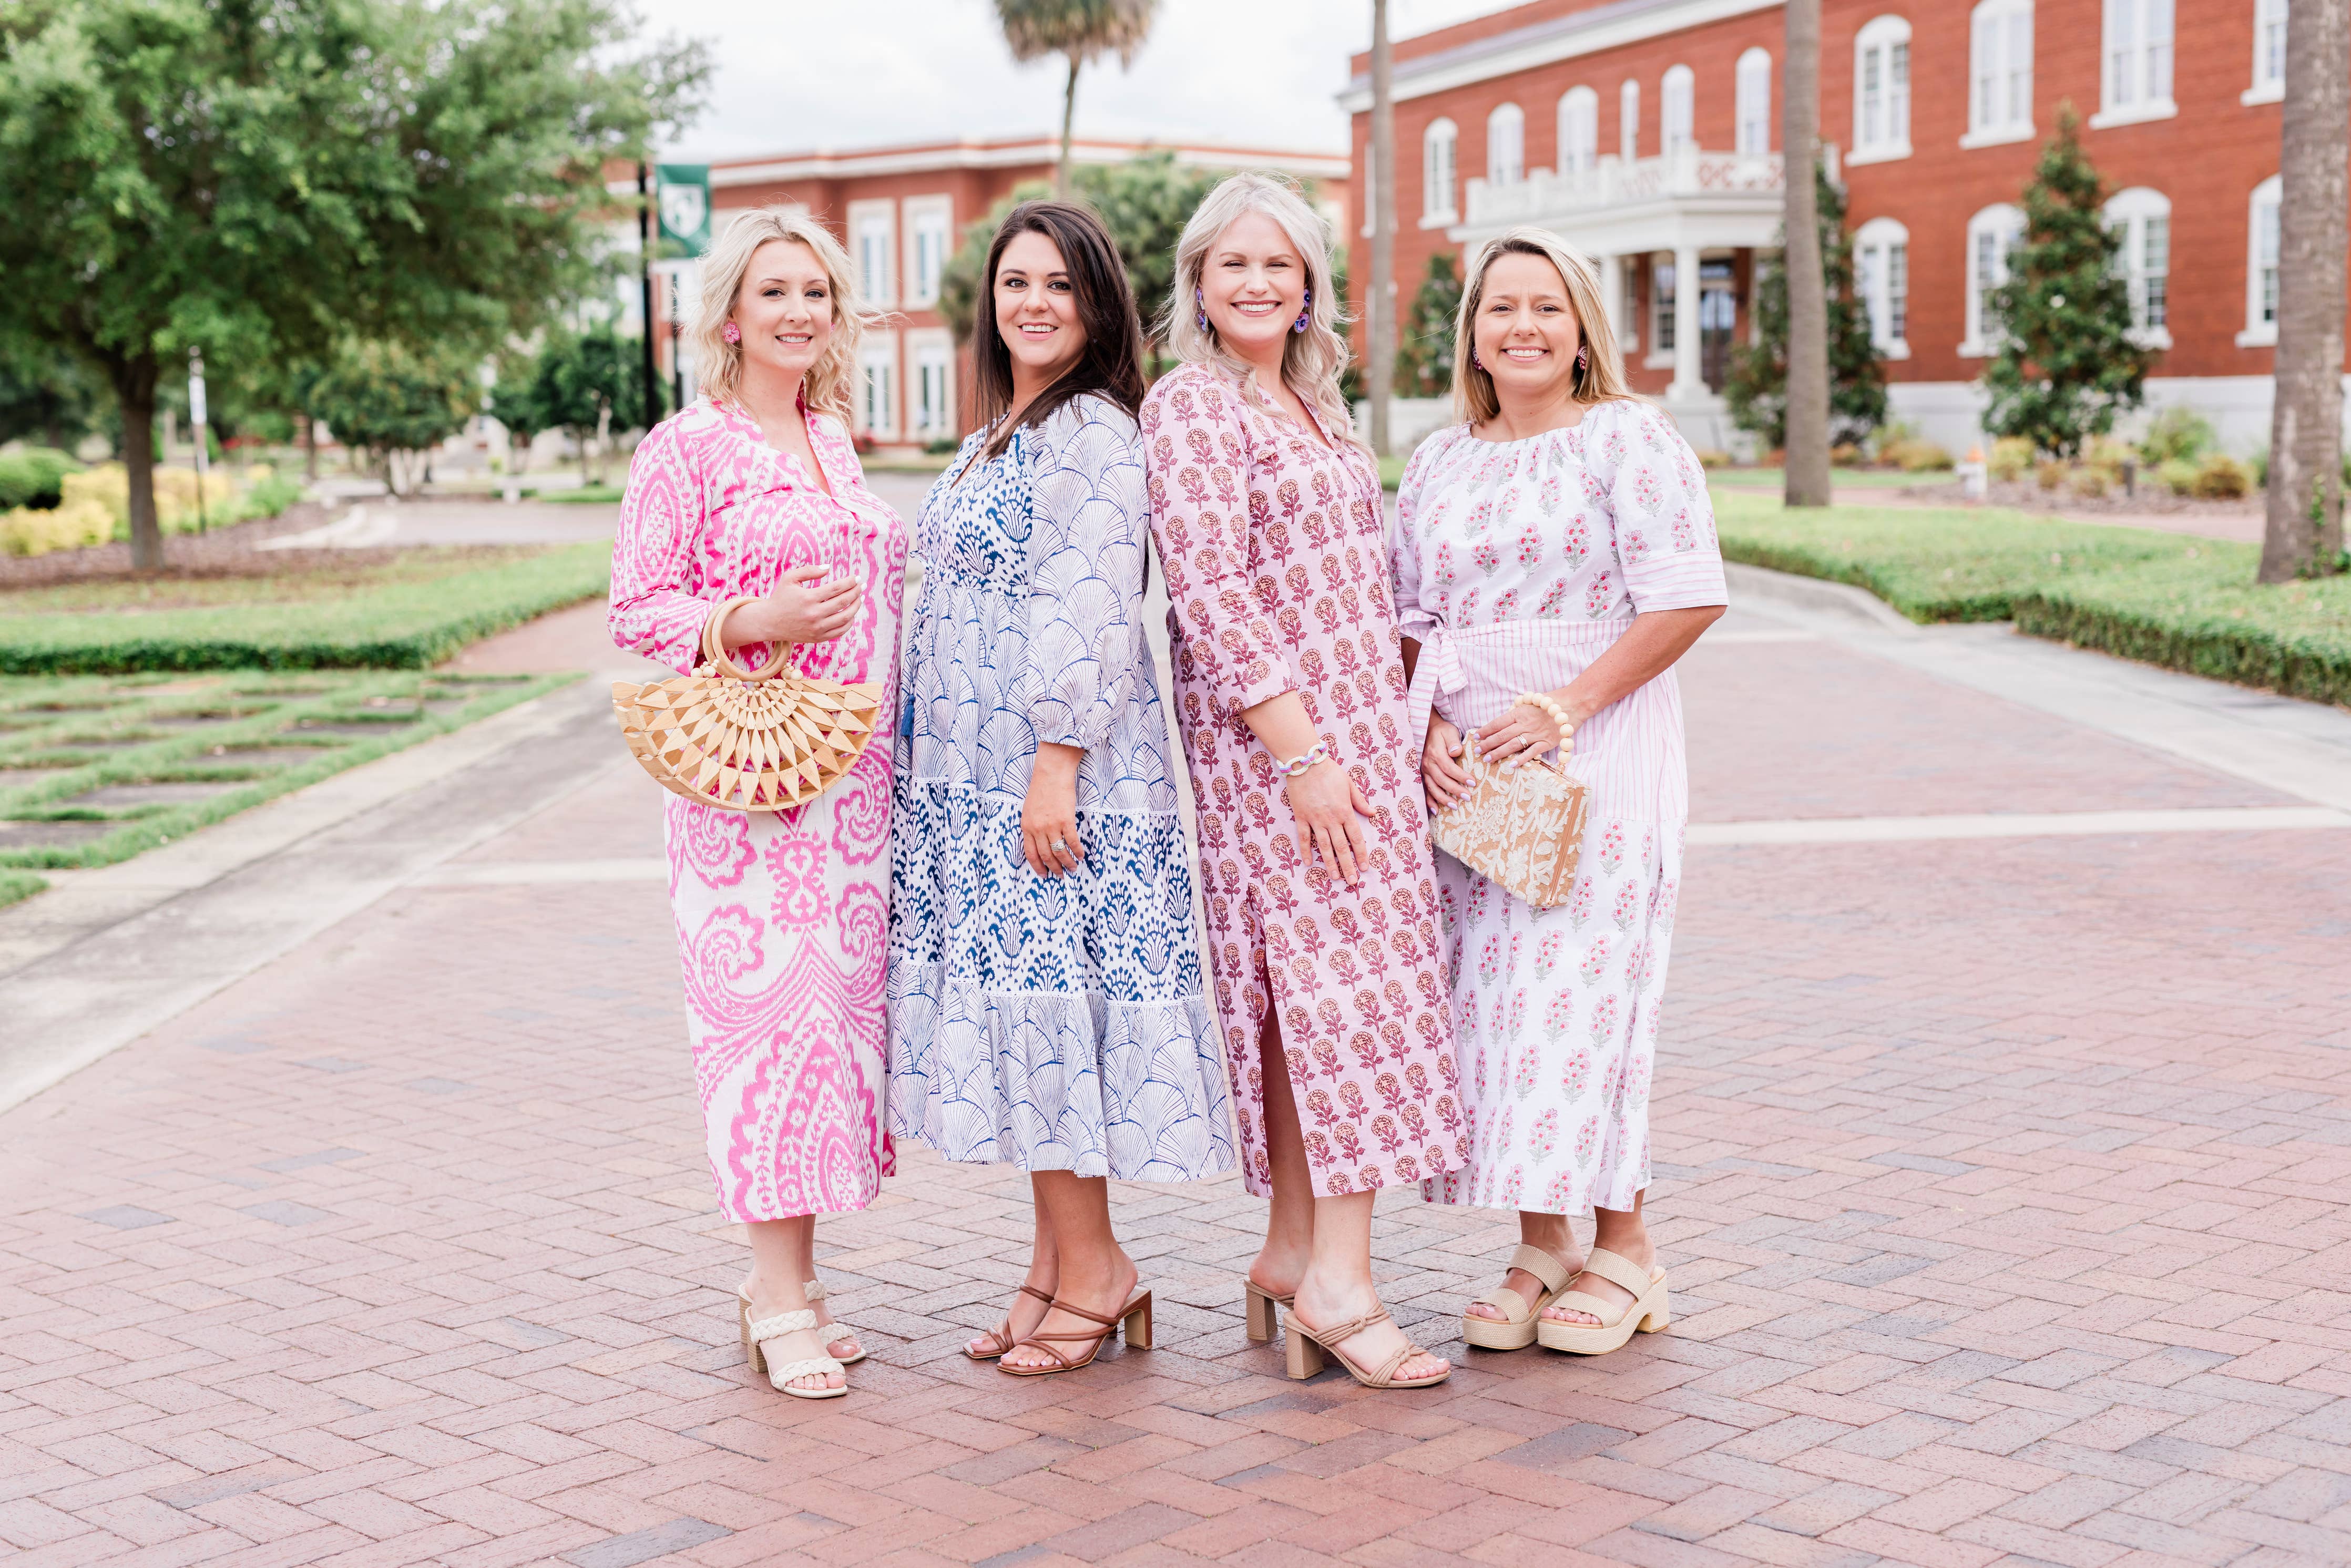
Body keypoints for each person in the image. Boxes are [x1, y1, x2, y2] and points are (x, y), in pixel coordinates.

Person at [888, 201, 1230, 1377]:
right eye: (1014, 280)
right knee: (1024, 1014)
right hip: (972, 780)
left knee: (1047, 1018)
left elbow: (1087, 601)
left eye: (1059, 284)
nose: (1031, 301)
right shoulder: (1008, 427)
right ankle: (1054, 1264)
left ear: (1097, 306)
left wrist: (1056, 763)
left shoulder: (1091, 428)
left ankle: (1097, 1269)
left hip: (1049, 773)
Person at [1141, 173, 1464, 1391]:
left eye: (1279, 264)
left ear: (1312, 282)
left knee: (1308, 998)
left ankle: (1291, 1253)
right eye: (1232, 265)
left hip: (1360, 749)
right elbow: (1212, 596)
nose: (1257, 283)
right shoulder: (1193, 407)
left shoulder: (1320, 409)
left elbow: (1367, 593)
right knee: (1345, 1006)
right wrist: (1306, 755)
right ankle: (1343, 1283)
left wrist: (1401, 724)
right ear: (1199, 285)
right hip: (1278, 758)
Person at [1395, 227, 1725, 1357]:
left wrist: (1565, 710)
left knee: (1589, 996)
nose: (1522, 327)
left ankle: (1626, 1247)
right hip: (1475, 767)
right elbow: (1409, 623)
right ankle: (1544, 1239)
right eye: (1500, 308)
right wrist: (1430, 728)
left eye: (1545, 307)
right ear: (1472, 333)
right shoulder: (1439, 459)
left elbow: (1685, 596)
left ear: (1581, 326)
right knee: (1494, 1006)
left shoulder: (1625, 439)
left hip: (1597, 747)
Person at [609, 209, 907, 1400]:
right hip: (748, 796)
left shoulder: (832, 441)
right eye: (775, 291)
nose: (798, 312)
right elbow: (638, 609)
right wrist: (746, 623)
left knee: (832, 1036)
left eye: (818, 294)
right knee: (767, 1033)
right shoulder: (687, 446)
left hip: (856, 791)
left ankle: (795, 1282)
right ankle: (776, 1295)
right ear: (730, 313)